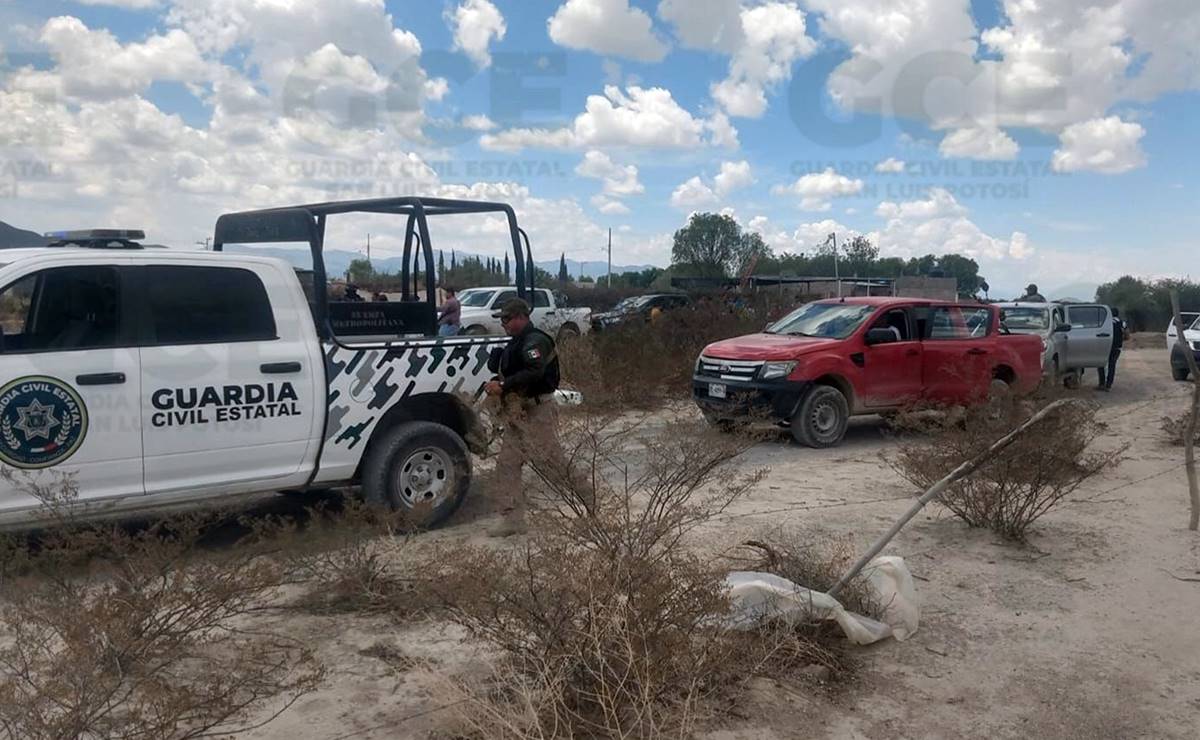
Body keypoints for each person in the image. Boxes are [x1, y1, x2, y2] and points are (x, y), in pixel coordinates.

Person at [483, 298, 561, 537]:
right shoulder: (517, 342)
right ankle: (512, 519)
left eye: (507, 318)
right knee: (507, 463)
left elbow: (534, 371)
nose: (504, 323)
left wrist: (504, 385)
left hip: (537, 410)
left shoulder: (535, 340)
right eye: (502, 319)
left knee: (553, 462)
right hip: (519, 410)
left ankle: (590, 501)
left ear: (520, 317)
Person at [1097, 307, 1128, 391]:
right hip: (1117, 347)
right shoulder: (1122, 323)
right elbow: (1127, 335)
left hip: (1105, 346)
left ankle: (1101, 383)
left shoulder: (1105, 323)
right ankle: (1109, 385)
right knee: (1112, 365)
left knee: (1100, 364)